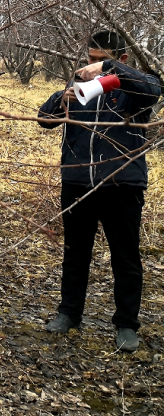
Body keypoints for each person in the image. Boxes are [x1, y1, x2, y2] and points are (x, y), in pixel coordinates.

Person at [37, 30, 160, 352]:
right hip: (77, 181)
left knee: (126, 256)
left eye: (100, 60)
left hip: (121, 184)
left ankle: (127, 324)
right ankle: (69, 313)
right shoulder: (80, 88)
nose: (92, 67)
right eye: (90, 59)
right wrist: (60, 98)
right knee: (76, 252)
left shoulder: (135, 91)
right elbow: (45, 120)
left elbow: (153, 89)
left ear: (121, 59)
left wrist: (111, 71)